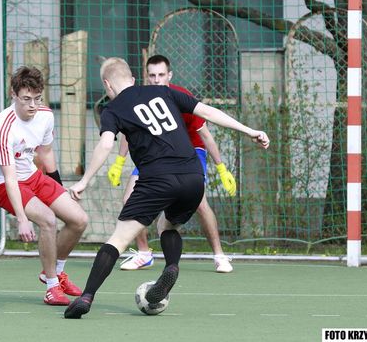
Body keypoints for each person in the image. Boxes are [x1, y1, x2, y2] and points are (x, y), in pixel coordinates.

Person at [63, 57, 269, 319]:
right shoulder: (165, 92)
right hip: (193, 176)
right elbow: (207, 112)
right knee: (167, 226)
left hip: (157, 179)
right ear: (133, 79)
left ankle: (86, 296)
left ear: (107, 85)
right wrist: (249, 130)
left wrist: (84, 181)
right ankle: (171, 266)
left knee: (118, 239)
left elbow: (105, 144)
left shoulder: (112, 109)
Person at [107, 54, 236, 273]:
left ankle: (219, 255)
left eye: (161, 75)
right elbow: (129, 134)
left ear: (170, 75)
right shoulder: (138, 97)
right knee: (129, 198)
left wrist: (221, 167)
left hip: (190, 151)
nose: (156, 80)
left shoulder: (180, 96)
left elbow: (205, 134)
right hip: (156, 153)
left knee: (200, 202)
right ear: (146, 77)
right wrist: (119, 162)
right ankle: (144, 254)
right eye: (152, 75)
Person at [0, 66, 88, 306]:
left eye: (37, 98)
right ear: (13, 95)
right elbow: (10, 178)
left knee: (79, 220)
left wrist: (59, 188)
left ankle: (55, 272)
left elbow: (46, 152)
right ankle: (51, 287)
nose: (32, 105)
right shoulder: (1, 127)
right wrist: (22, 219)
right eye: (26, 99)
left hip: (31, 175)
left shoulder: (45, 115)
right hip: (1, 183)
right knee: (48, 220)